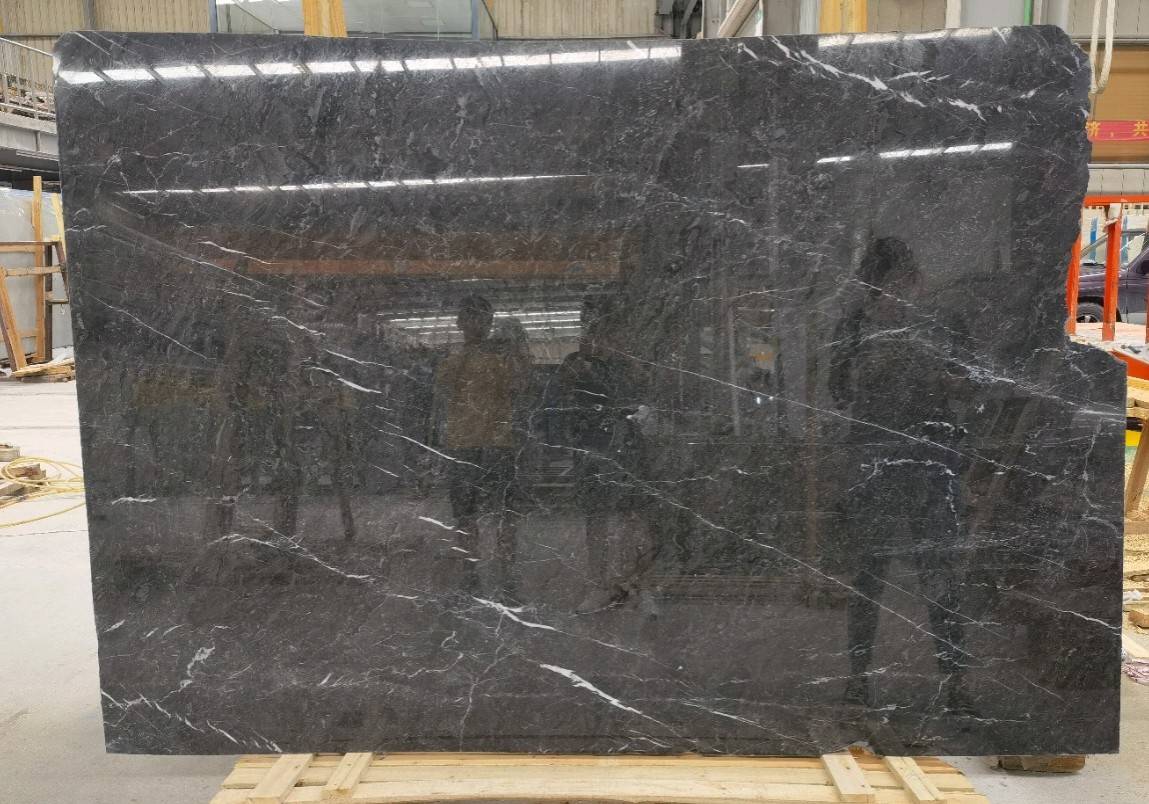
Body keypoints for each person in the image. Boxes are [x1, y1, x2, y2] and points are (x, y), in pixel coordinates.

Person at [828, 237, 974, 715]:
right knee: (870, 572)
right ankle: (858, 681)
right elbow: (837, 389)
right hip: (876, 456)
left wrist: (941, 378)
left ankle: (955, 685)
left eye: (902, 282)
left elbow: (972, 382)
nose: (895, 293)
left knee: (938, 573)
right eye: (882, 286)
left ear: (913, 280)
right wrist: (869, 371)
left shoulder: (943, 322)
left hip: (929, 456)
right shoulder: (856, 326)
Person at [553, 296, 652, 614]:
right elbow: (560, 396)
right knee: (597, 516)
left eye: (603, 325)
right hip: (592, 444)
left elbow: (644, 389)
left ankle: (632, 584)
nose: (595, 331)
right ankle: (600, 584)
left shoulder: (626, 362)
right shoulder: (577, 361)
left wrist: (623, 360)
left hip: (624, 443)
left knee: (631, 515)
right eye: (589, 324)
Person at [434, 296, 530, 601]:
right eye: (470, 318)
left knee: (504, 514)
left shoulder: (501, 358)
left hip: (496, 443)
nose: (476, 324)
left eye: (481, 319)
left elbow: (520, 386)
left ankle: (505, 577)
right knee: (466, 513)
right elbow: (443, 389)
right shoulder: (455, 358)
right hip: (466, 444)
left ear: (489, 323)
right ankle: (471, 576)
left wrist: (515, 351)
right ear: (460, 323)